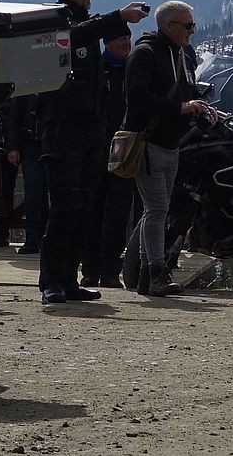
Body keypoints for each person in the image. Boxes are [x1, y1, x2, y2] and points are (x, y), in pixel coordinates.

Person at [37, 0, 147, 303]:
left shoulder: (86, 23)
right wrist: (119, 17)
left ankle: (70, 279)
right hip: (62, 127)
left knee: (84, 206)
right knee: (65, 206)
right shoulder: (55, 18)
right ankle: (51, 280)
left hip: (90, 128)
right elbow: (72, 36)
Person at [122, 0, 210, 296]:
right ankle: (155, 273)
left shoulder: (182, 53)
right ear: (168, 25)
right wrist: (180, 108)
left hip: (172, 142)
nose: (192, 31)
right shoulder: (144, 54)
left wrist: (199, 105)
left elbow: (187, 89)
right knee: (157, 209)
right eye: (187, 25)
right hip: (147, 141)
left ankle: (148, 277)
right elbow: (137, 98)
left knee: (157, 210)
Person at [79, 27, 136, 288]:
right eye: (121, 38)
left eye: (129, 38)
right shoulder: (95, 69)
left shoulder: (133, 71)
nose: (127, 43)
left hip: (125, 150)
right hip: (95, 147)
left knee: (119, 211)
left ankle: (111, 269)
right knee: (92, 208)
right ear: (107, 42)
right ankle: (90, 268)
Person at [3, 93, 47, 254]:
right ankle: (32, 240)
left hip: (53, 144)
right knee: (32, 194)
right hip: (31, 145)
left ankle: (46, 239)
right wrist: (12, 147)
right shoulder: (28, 87)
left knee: (51, 197)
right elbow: (14, 117)